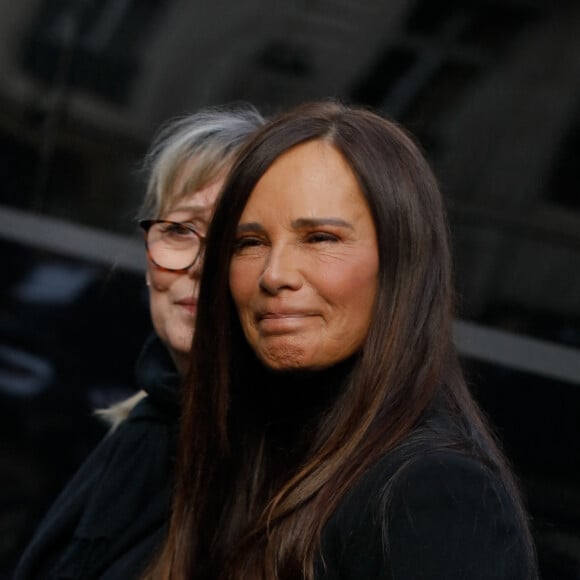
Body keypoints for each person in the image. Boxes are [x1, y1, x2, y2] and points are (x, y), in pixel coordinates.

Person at [146, 101, 538, 579]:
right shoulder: (245, 449)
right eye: (249, 243)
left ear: (400, 262)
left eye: (320, 238)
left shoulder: (434, 492)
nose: (275, 274)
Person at [13, 105, 265, 579]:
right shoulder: (145, 428)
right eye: (179, 230)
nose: (199, 267)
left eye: (239, 242)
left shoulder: (278, 476)